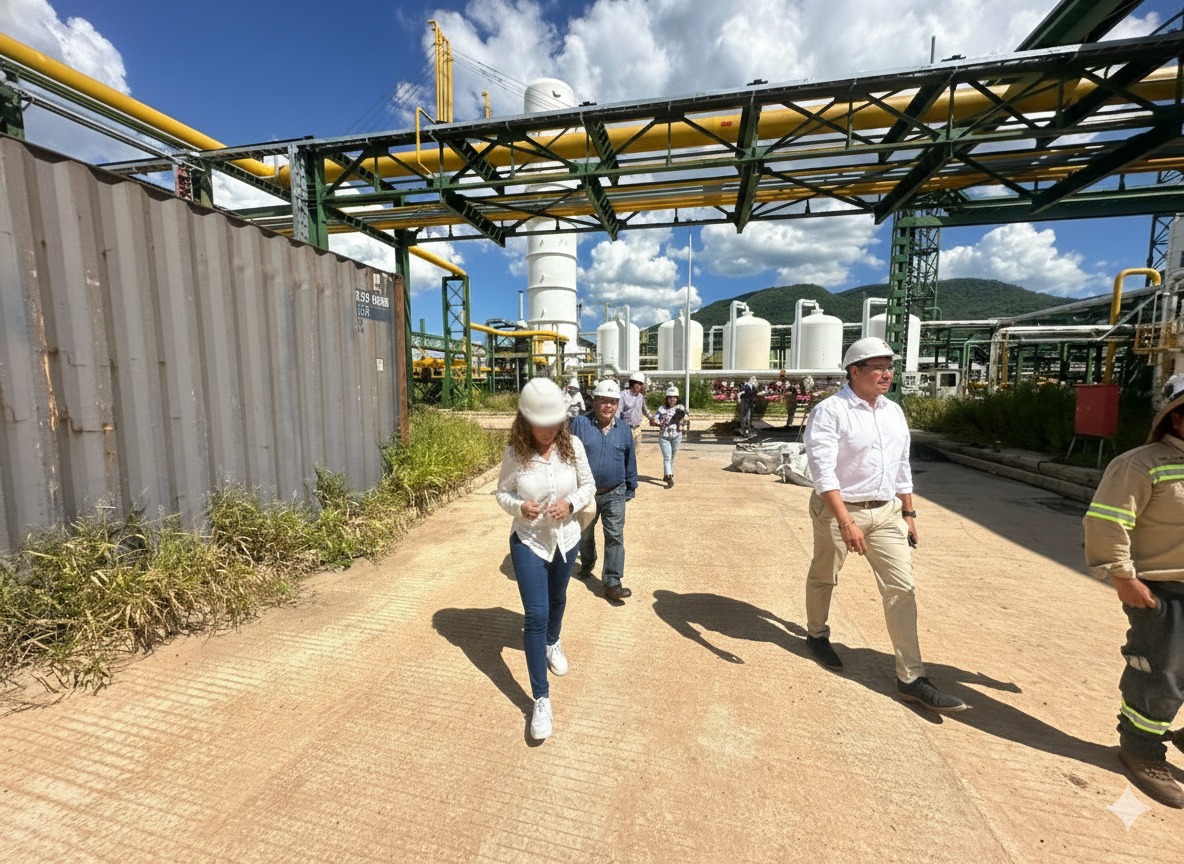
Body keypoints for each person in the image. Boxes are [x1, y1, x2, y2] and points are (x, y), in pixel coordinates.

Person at [801, 337, 966, 713]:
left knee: (902, 588)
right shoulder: (830, 411)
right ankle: (816, 634)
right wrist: (846, 522)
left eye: (889, 367)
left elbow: (900, 465)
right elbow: (823, 473)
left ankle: (911, 678)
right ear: (854, 371)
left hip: (887, 512)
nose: (887, 374)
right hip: (839, 510)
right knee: (825, 575)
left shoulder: (893, 412)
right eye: (877, 367)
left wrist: (908, 512)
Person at [1084, 373, 1184, 807]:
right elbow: (1107, 522)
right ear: (1175, 418)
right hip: (1165, 590)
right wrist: (1124, 579)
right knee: (1160, 675)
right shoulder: (1142, 464)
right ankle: (1142, 749)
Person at [495, 377, 596, 740]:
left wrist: (571, 504)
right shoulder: (515, 454)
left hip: (566, 540)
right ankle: (541, 698)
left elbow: (589, 486)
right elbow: (502, 493)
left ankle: (553, 641)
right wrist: (519, 507)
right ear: (525, 421)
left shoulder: (573, 447)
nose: (549, 430)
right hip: (529, 541)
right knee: (536, 616)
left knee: (558, 598)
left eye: (555, 422)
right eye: (541, 423)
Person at [570, 379, 638, 603]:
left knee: (615, 536)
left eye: (613, 402)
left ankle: (612, 582)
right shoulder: (579, 424)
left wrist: (631, 486)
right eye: (603, 401)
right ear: (595, 401)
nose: (608, 406)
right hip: (585, 494)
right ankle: (587, 562)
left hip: (614, 492)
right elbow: (566, 454)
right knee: (585, 534)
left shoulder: (624, 430)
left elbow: (630, 459)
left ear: (617, 405)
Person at [652, 385, 687, 488]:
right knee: (667, 457)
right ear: (666, 399)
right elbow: (655, 419)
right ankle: (669, 477)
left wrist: (682, 421)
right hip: (664, 437)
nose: (672, 400)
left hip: (676, 436)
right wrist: (660, 423)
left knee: (672, 457)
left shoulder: (680, 408)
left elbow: (685, 418)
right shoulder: (661, 409)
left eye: (674, 397)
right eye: (670, 397)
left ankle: (667, 473)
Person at [618, 371, 653, 448]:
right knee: (623, 452)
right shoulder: (623, 395)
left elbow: (645, 409)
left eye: (640, 383)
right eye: (635, 383)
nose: (638, 385)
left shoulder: (640, 396)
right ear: (631, 383)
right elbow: (617, 412)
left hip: (637, 429)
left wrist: (651, 418)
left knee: (635, 453)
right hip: (625, 429)